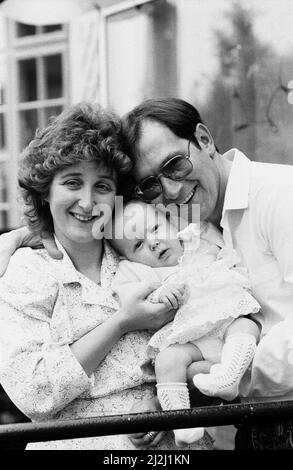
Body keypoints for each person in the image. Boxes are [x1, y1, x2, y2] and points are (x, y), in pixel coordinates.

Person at [3, 96, 293, 448]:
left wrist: (166, 395)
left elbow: (205, 337)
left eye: (104, 187)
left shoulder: (166, 247)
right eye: (71, 183)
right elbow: (33, 392)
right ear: (44, 191)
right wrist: (121, 322)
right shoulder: (29, 271)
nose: (88, 201)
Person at [110, 199, 260, 447]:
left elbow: (227, 244)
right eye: (138, 244)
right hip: (193, 342)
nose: (153, 242)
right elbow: (129, 296)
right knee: (168, 360)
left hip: (227, 321)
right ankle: (181, 423)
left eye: (155, 228)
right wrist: (160, 295)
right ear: (127, 257)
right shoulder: (142, 273)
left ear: (169, 220)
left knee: (247, 325)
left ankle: (229, 377)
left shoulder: (196, 238)